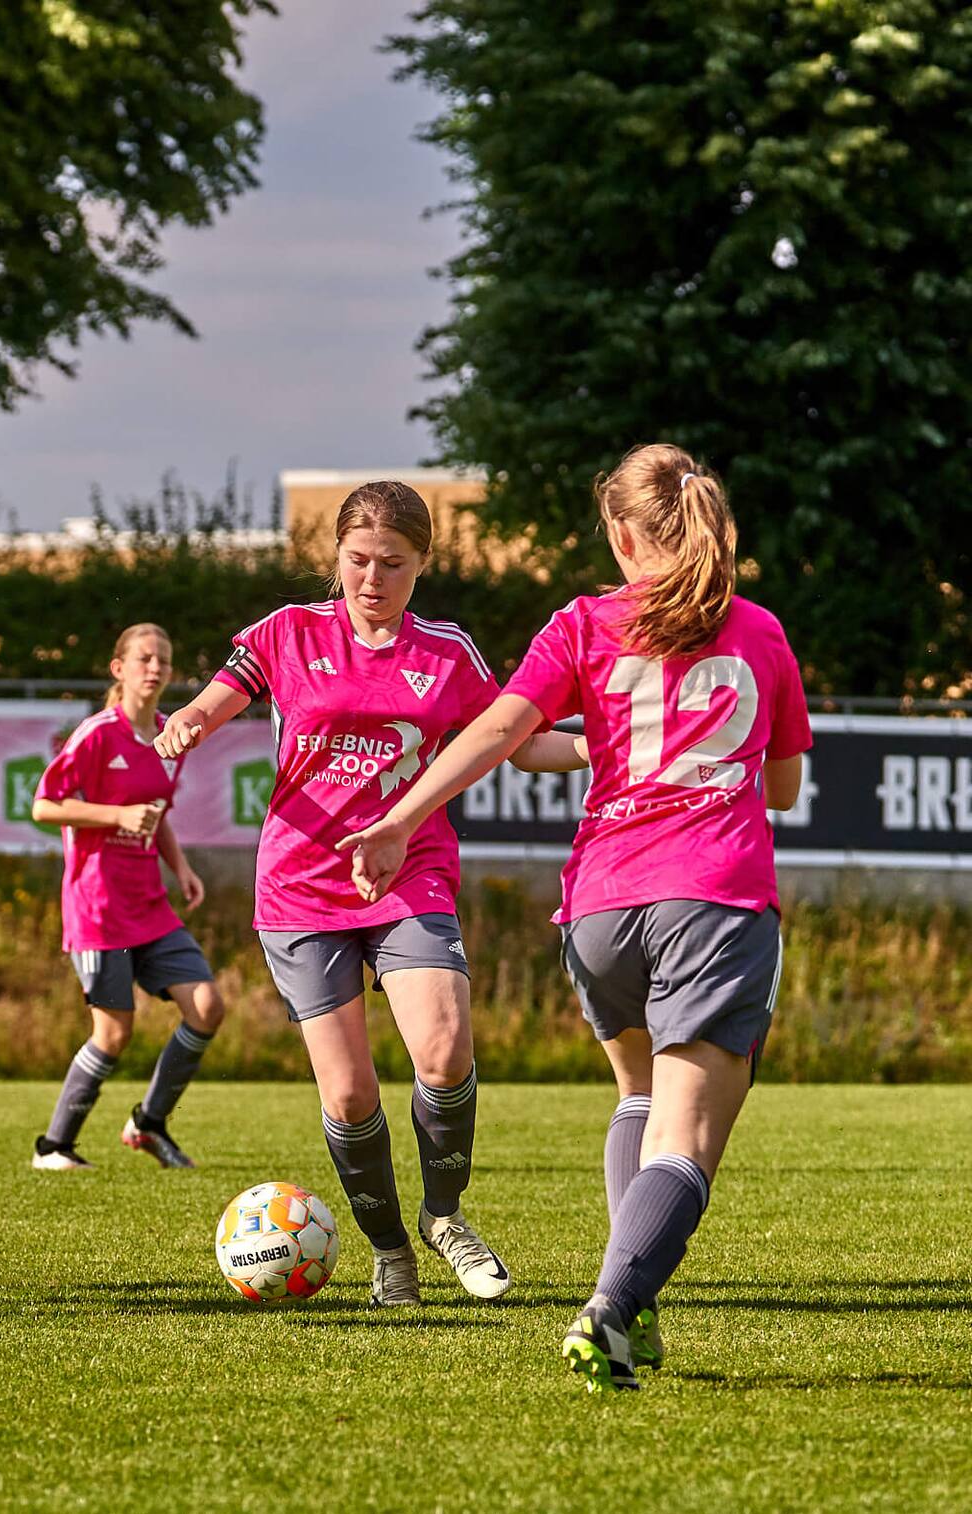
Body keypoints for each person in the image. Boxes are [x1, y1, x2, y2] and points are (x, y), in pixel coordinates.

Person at [340, 446, 809, 1390]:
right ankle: (609, 1307)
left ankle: (633, 1308)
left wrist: (397, 817)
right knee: (687, 1140)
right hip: (711, 900)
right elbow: (787, 787)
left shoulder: (584, 623)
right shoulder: (759, 631)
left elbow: (499, 733)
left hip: (600, 911)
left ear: (624, 536)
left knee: (637, 1096)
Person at [156, 481, 586, 1305]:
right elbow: (220, 696)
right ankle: (391, 1250)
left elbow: (519, 746)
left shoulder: (448, 653)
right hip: (301, 887)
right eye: (357, 560)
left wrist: (604, 744)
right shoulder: (288, 632)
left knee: (445, 1045)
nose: (372, 578)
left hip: (408, 872)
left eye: (393, 563)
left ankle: (445, 1215)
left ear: (423, 564)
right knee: (350, 1094)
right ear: (336, 558)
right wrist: (189, 723)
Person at [29, 624, 226, 1172]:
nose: (156, 668)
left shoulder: (170, 738)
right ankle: (55, 1147)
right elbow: (45, 806)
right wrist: (115, 815)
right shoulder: (96, 735)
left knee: (207, 1007)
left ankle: (149, 1122)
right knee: (114, 1034)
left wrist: (180, 867)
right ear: (119, 669)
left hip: (150, 904)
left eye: (163, 659)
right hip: (97, 907)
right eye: (144, 658)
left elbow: (156, 814)